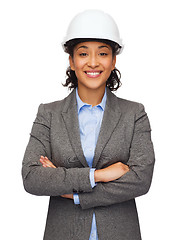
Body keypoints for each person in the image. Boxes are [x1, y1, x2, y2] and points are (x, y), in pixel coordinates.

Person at [22, 9, 155, 240]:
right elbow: (32, 178)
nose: (93, 62)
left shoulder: (134, 114)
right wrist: (99, 175)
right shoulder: (49, 114)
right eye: (83, 53)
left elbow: (140, 180)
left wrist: (73, 194)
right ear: (72, 61)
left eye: (102, 53)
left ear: (113, 60)